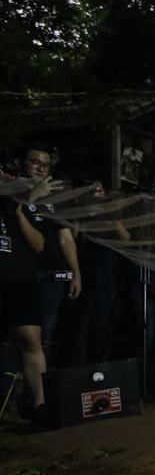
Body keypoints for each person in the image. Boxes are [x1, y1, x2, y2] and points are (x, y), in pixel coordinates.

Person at [20, 146, 82, 362]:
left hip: (51, 276)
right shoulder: (13, 191)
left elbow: (65, 237)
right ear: (23, 163)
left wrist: (75, 272)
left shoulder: (55, 196)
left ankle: (39, 390)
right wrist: (32, 196)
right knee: (18, 336)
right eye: (35, 162)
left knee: (45, 335)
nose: (41, 169)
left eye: (45, 165)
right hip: (21, 274)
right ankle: (12, 391)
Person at [0, 174, 48, 423]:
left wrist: (20, 211)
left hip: (21, 279)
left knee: (31, 339)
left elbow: (39, 244)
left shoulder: (17, 205)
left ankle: (40, 405)